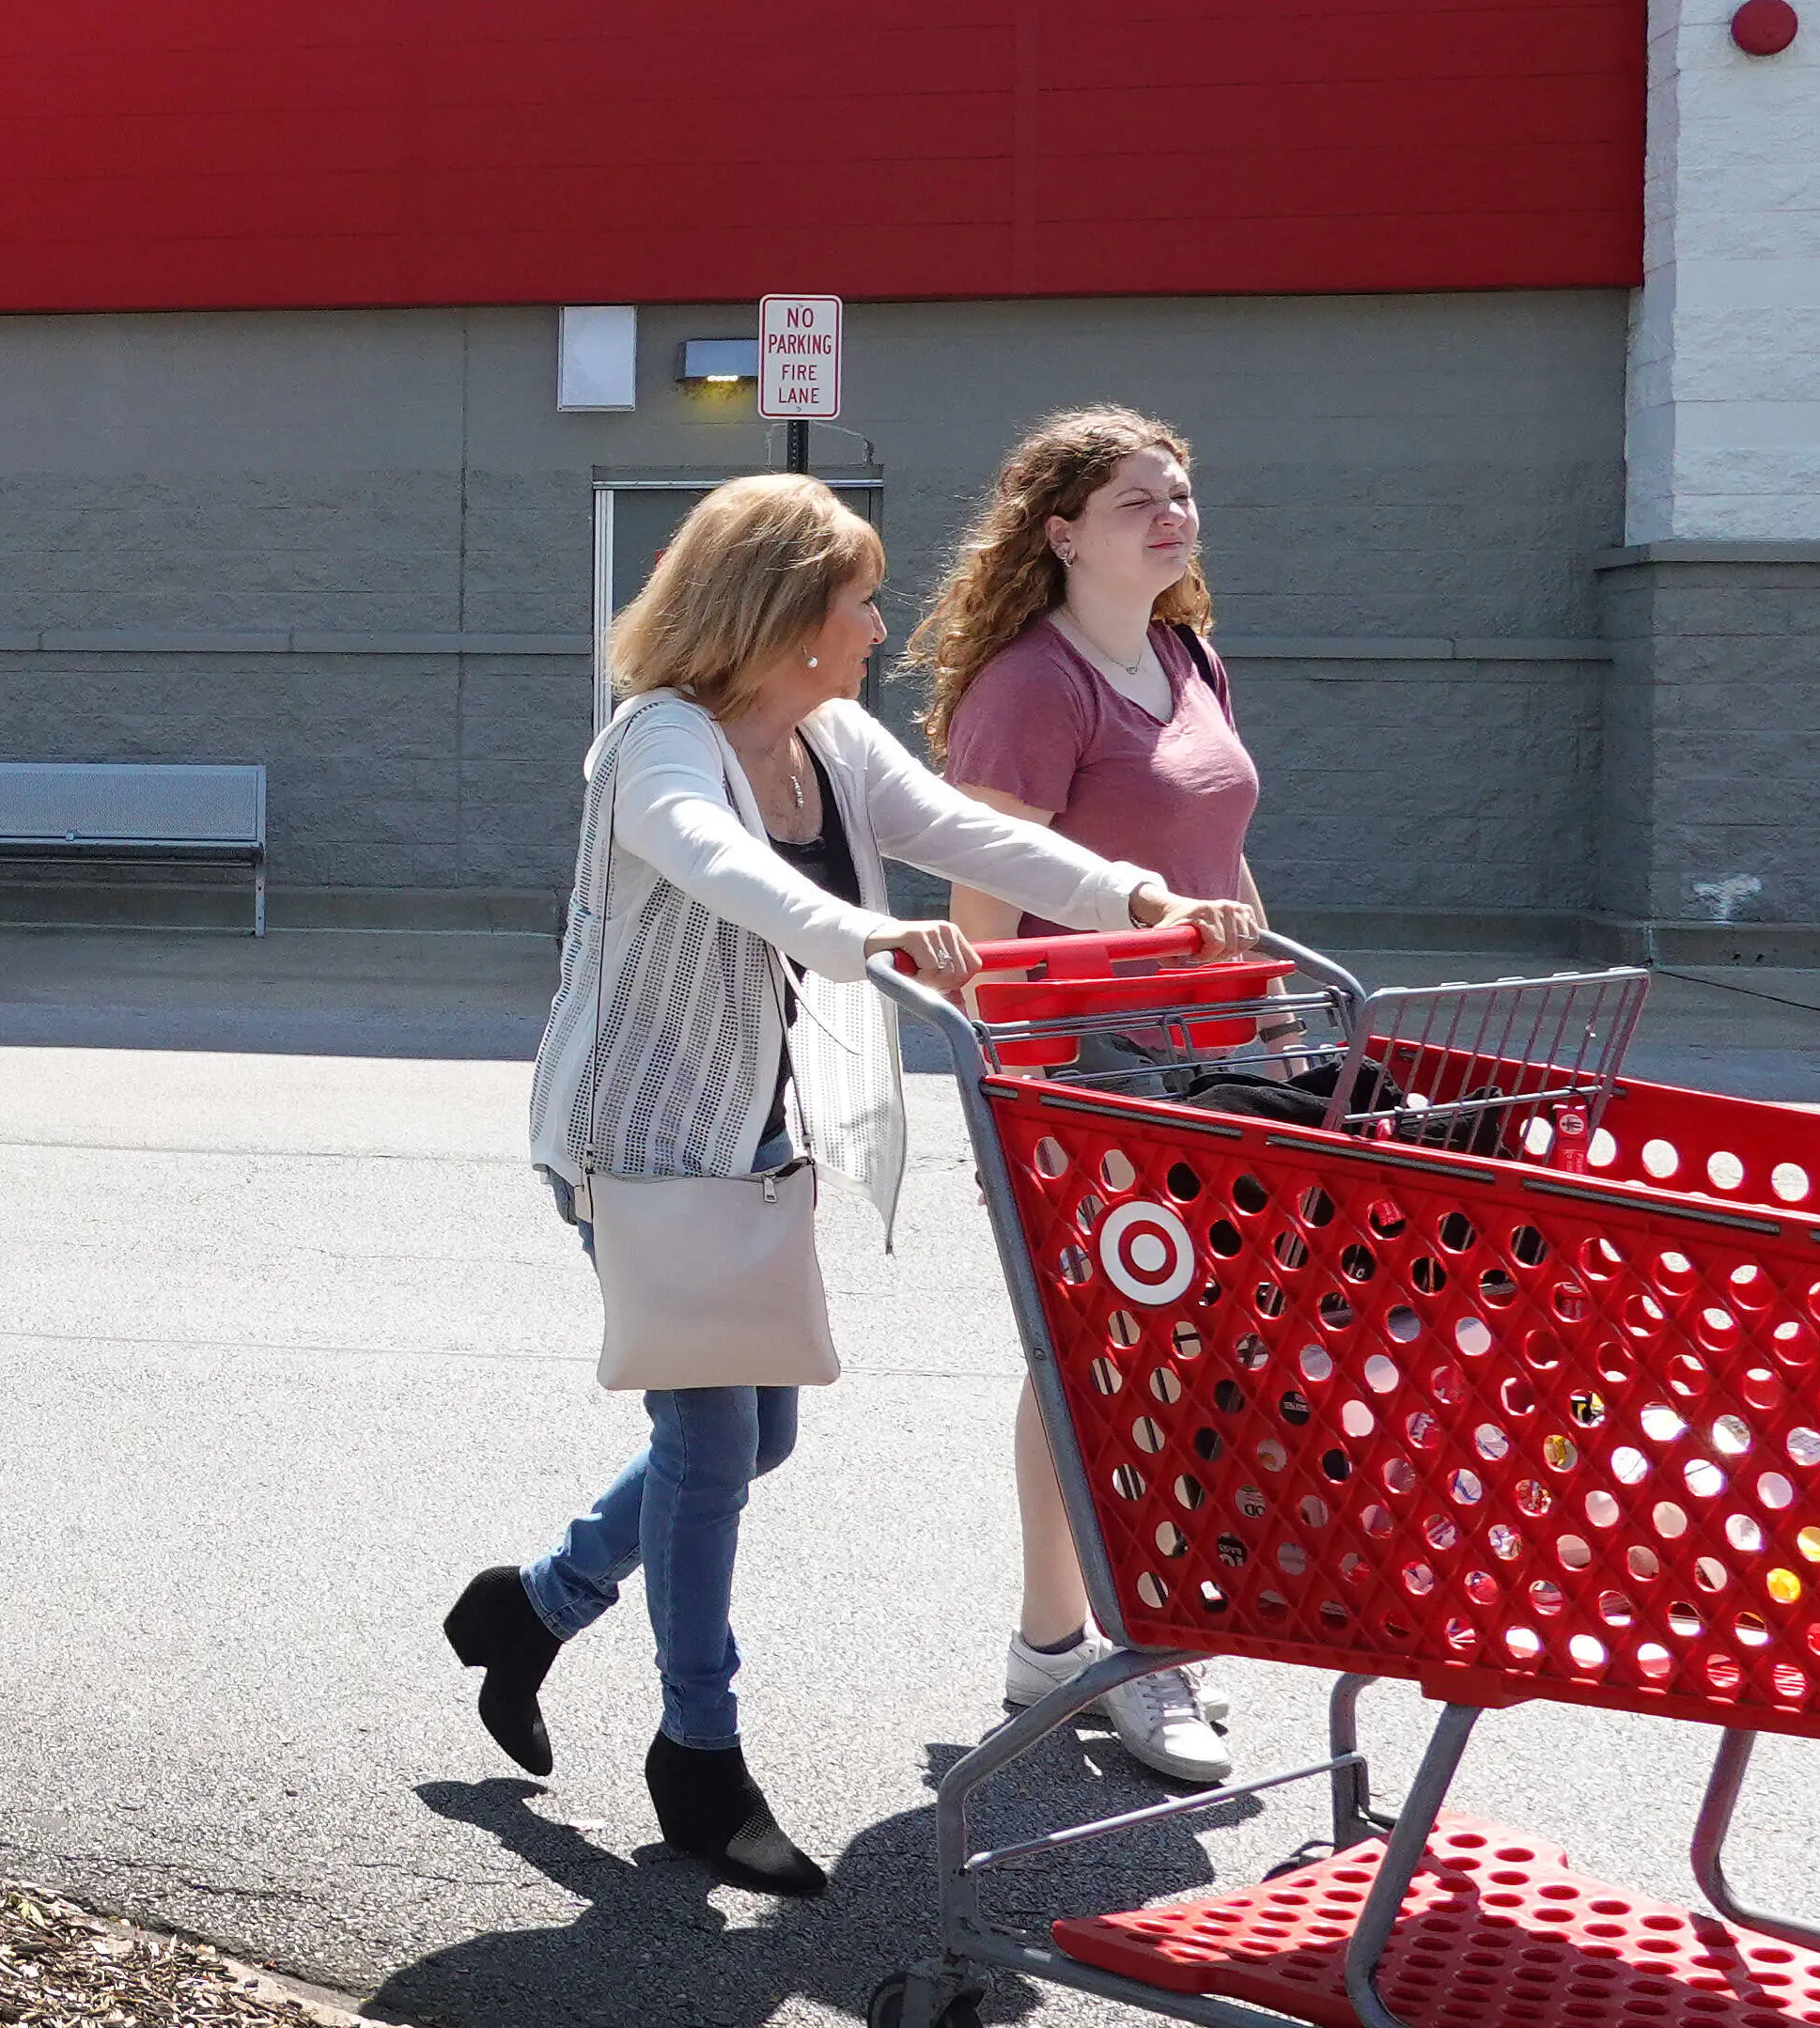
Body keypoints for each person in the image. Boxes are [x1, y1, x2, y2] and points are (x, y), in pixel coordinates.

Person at [443, 475, 1260, 1891]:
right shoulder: (657, 746)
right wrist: (871, 938)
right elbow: (724, 872)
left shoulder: (824, 736)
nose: (879, 627)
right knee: (712, 1448)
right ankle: (698, 1762)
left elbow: (966, 830)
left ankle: (535, 1606)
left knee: (757, 1441)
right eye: (858, 601)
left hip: (757, 1139)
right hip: (639, 1141)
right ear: (781, 614)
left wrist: (1136, 897)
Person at [904, 405, 1264, 1786]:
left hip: (1222, 1061)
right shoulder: (1030, 687)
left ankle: (1105, 1634)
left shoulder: (1186, 654)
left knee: (1184, 1361)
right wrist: (1002, 1075)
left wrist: (1278, 1012)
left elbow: (1224, 856)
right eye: (1136, 501)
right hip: (1089, 1073)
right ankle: (1097, 1645)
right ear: (1060, 532)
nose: (1171, 517)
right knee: (1107, 1353)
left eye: (1180, 494)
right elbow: (980, 909)